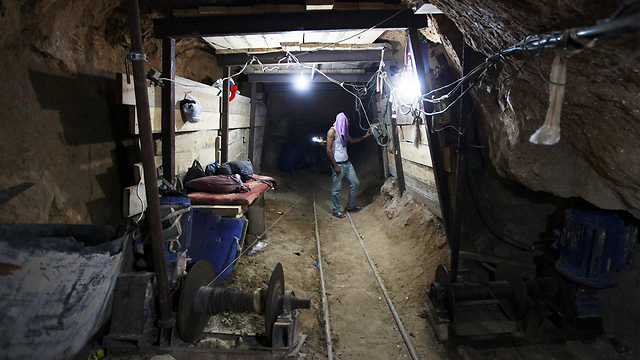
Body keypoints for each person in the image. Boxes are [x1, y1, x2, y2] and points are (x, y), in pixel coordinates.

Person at [326, 112, 371, 218]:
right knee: (336, 189)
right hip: (339, 164)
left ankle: (351, 206)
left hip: (347, 163)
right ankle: (336, 210)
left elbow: (352, 140)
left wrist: (365, 136)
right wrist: (335, 165)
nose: (348, 124)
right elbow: (328, 150)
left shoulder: (344, 131)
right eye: (347, 122)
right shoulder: (332, 131)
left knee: (355, 184)